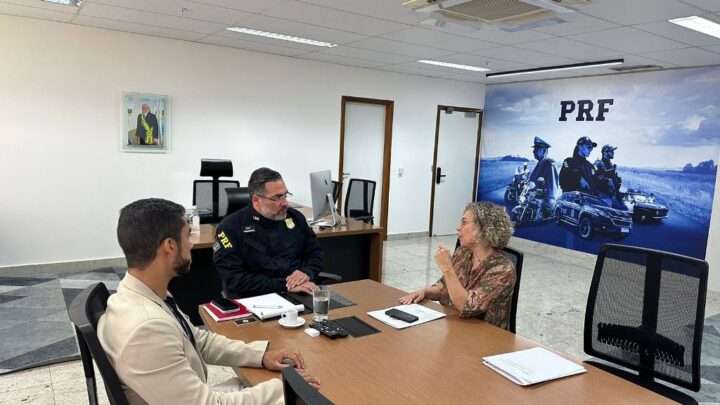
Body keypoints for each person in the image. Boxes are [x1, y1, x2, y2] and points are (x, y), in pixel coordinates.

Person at [97, 198, 320, 404]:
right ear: (170, 246)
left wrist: (260, 356)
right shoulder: (146, 329)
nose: (192, 244)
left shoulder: (140, 294)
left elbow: (197, 341)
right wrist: (281, 387)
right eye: (188, 235)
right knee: (304, 396)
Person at [398, 202, 516, 329]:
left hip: (484, 337)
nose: (458, 228)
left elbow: (467, 307)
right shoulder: (463, 252)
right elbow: (445, 286)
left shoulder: (503, 270)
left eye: (464, 222)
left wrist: (448, 268)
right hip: (458, 327)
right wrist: (425, 292)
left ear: (483, 229)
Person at [214, 168, 323, 298]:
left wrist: (306, 272)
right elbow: (234, 280)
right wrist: (286, 285)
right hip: (254, 299)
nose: (285, 203)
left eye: (285, 195)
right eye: (277, 197)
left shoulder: (296, 218)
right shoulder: (230, 228)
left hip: (300, 294)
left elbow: (316, 254)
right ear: (256, 200)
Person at [528, 136, 560, 219]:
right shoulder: (540, 163)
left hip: (543, 205)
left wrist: (549, 204)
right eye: (534, 149)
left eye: (536, 149)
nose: (533, 151)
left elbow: (552, 186)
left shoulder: (549, 164)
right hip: (535, 200)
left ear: (544, 151)